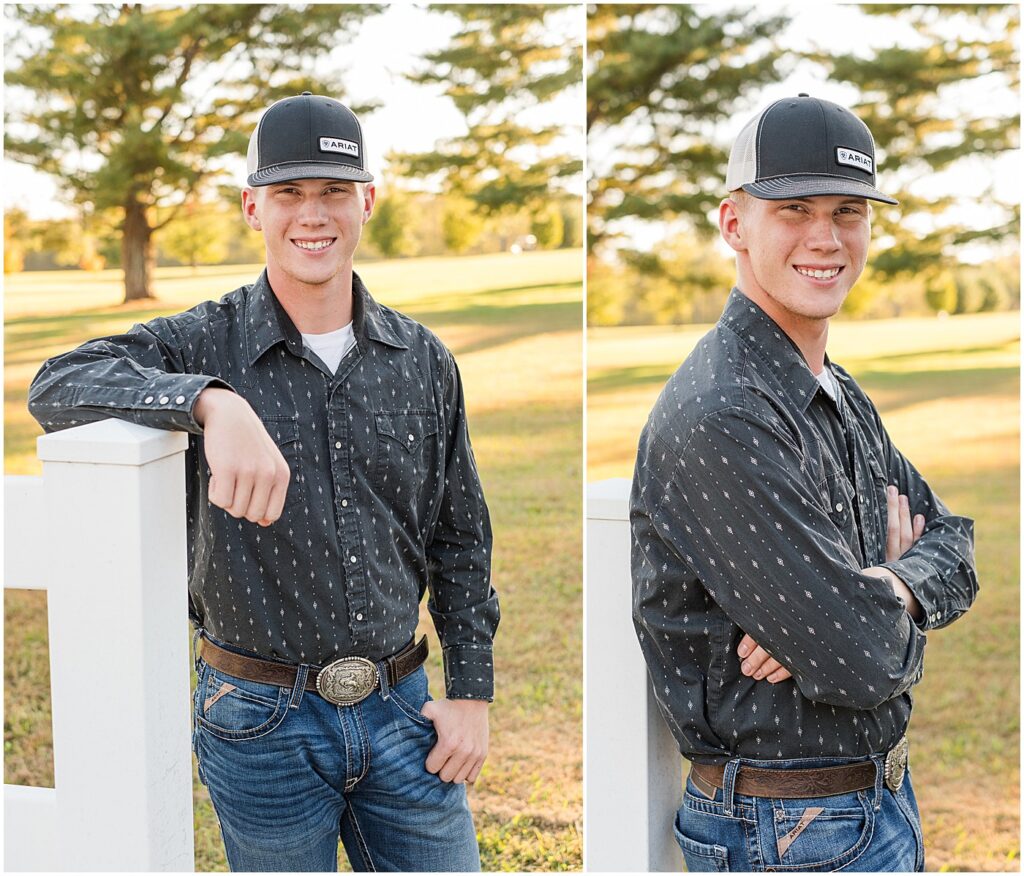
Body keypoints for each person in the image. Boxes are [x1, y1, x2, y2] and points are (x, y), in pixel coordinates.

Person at [29, 92, 499, 873]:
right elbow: (57, 383)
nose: (311, 216)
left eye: (333, 193)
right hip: (258, 720)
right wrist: (208, 401)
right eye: (288, 193)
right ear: (253, 206)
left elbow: (460, 536)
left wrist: (472, 695)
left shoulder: (423, 359)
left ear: (367, 202)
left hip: (403, 710)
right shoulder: (202, 340)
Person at [630, 94, 977, 872]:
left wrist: (882, 586)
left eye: (847, 210)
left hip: (871, 801)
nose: (826, 238)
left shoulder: (834, 388)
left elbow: (957, 545)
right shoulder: (724, 412)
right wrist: (849, 622)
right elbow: (860, 659)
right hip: (785, 829)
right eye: (794, 209)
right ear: (733, 224)